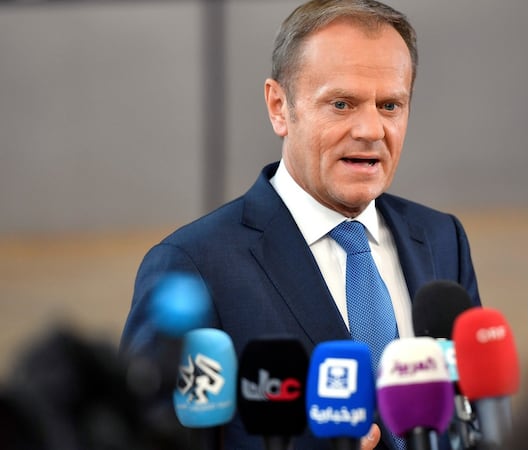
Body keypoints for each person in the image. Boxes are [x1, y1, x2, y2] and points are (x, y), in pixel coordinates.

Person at [119, 1, 481, 449]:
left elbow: (473, 414)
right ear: (279, 107)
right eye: (342, 103)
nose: (371, 128)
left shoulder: (443, 240)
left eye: (390, 105)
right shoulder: (193, 268)